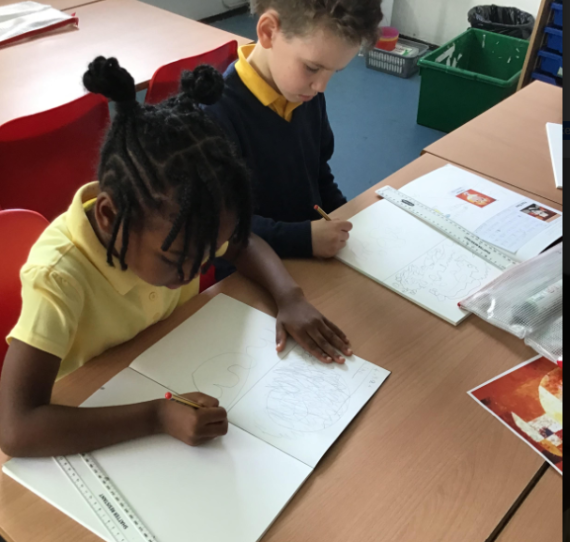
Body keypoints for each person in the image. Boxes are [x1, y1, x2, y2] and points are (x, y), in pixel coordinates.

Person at [0, 57, 352, 459]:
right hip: (91, 406)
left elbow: (241, 243)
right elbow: (16, 429)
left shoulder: (178, 230)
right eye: (176, 261)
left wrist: (289, 296)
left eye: (206, 254)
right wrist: (156, 417)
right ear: (109, 216)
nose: (194, 272)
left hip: (166, 357)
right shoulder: (59, 276)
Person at [205, 0, 383, 266]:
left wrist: (345, 216)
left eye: (334, 71)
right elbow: (221, 226)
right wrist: (304, 238)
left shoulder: (304, 93)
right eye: (312, 67)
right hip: (249, 273)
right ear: (268, 32)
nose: (321, 86)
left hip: (311, 258)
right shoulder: (214, 115)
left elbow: (317, 173)